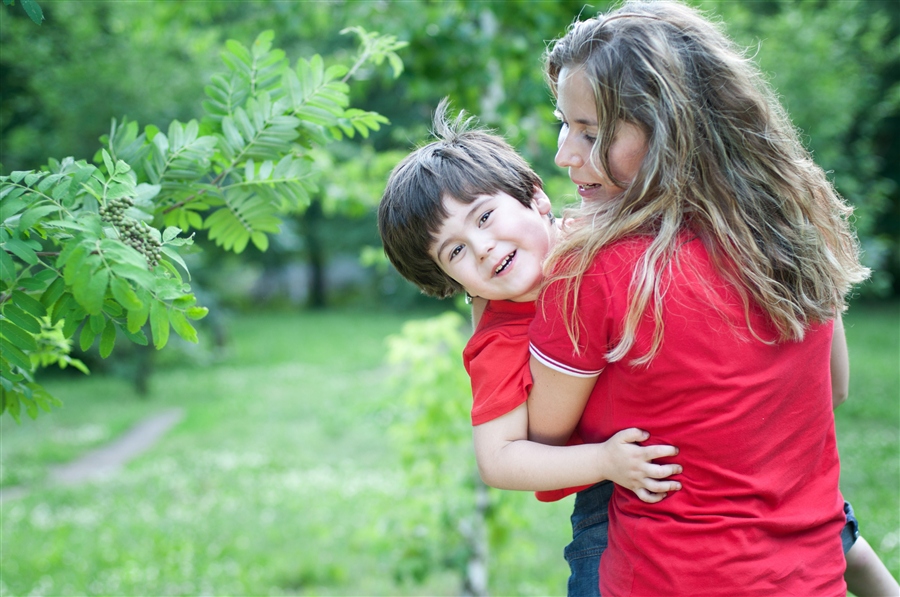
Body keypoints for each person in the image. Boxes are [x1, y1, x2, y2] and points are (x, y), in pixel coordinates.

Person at [525, 1, 891, 595]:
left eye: (591, 133)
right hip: (807, 577)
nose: (567, 154)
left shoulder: (595, 271)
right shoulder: (791, 229)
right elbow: (836, 387)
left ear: (672, 128)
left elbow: (542, 436)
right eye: (564, 125)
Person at [377, 100, 684, 558]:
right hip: (613, 503)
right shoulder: (499, 340)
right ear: (450, 281)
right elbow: (498, 460)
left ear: (536, 197)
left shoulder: (602, 229)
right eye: (454, 252)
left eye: (484, 217)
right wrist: (604, 461)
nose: (482, 247)